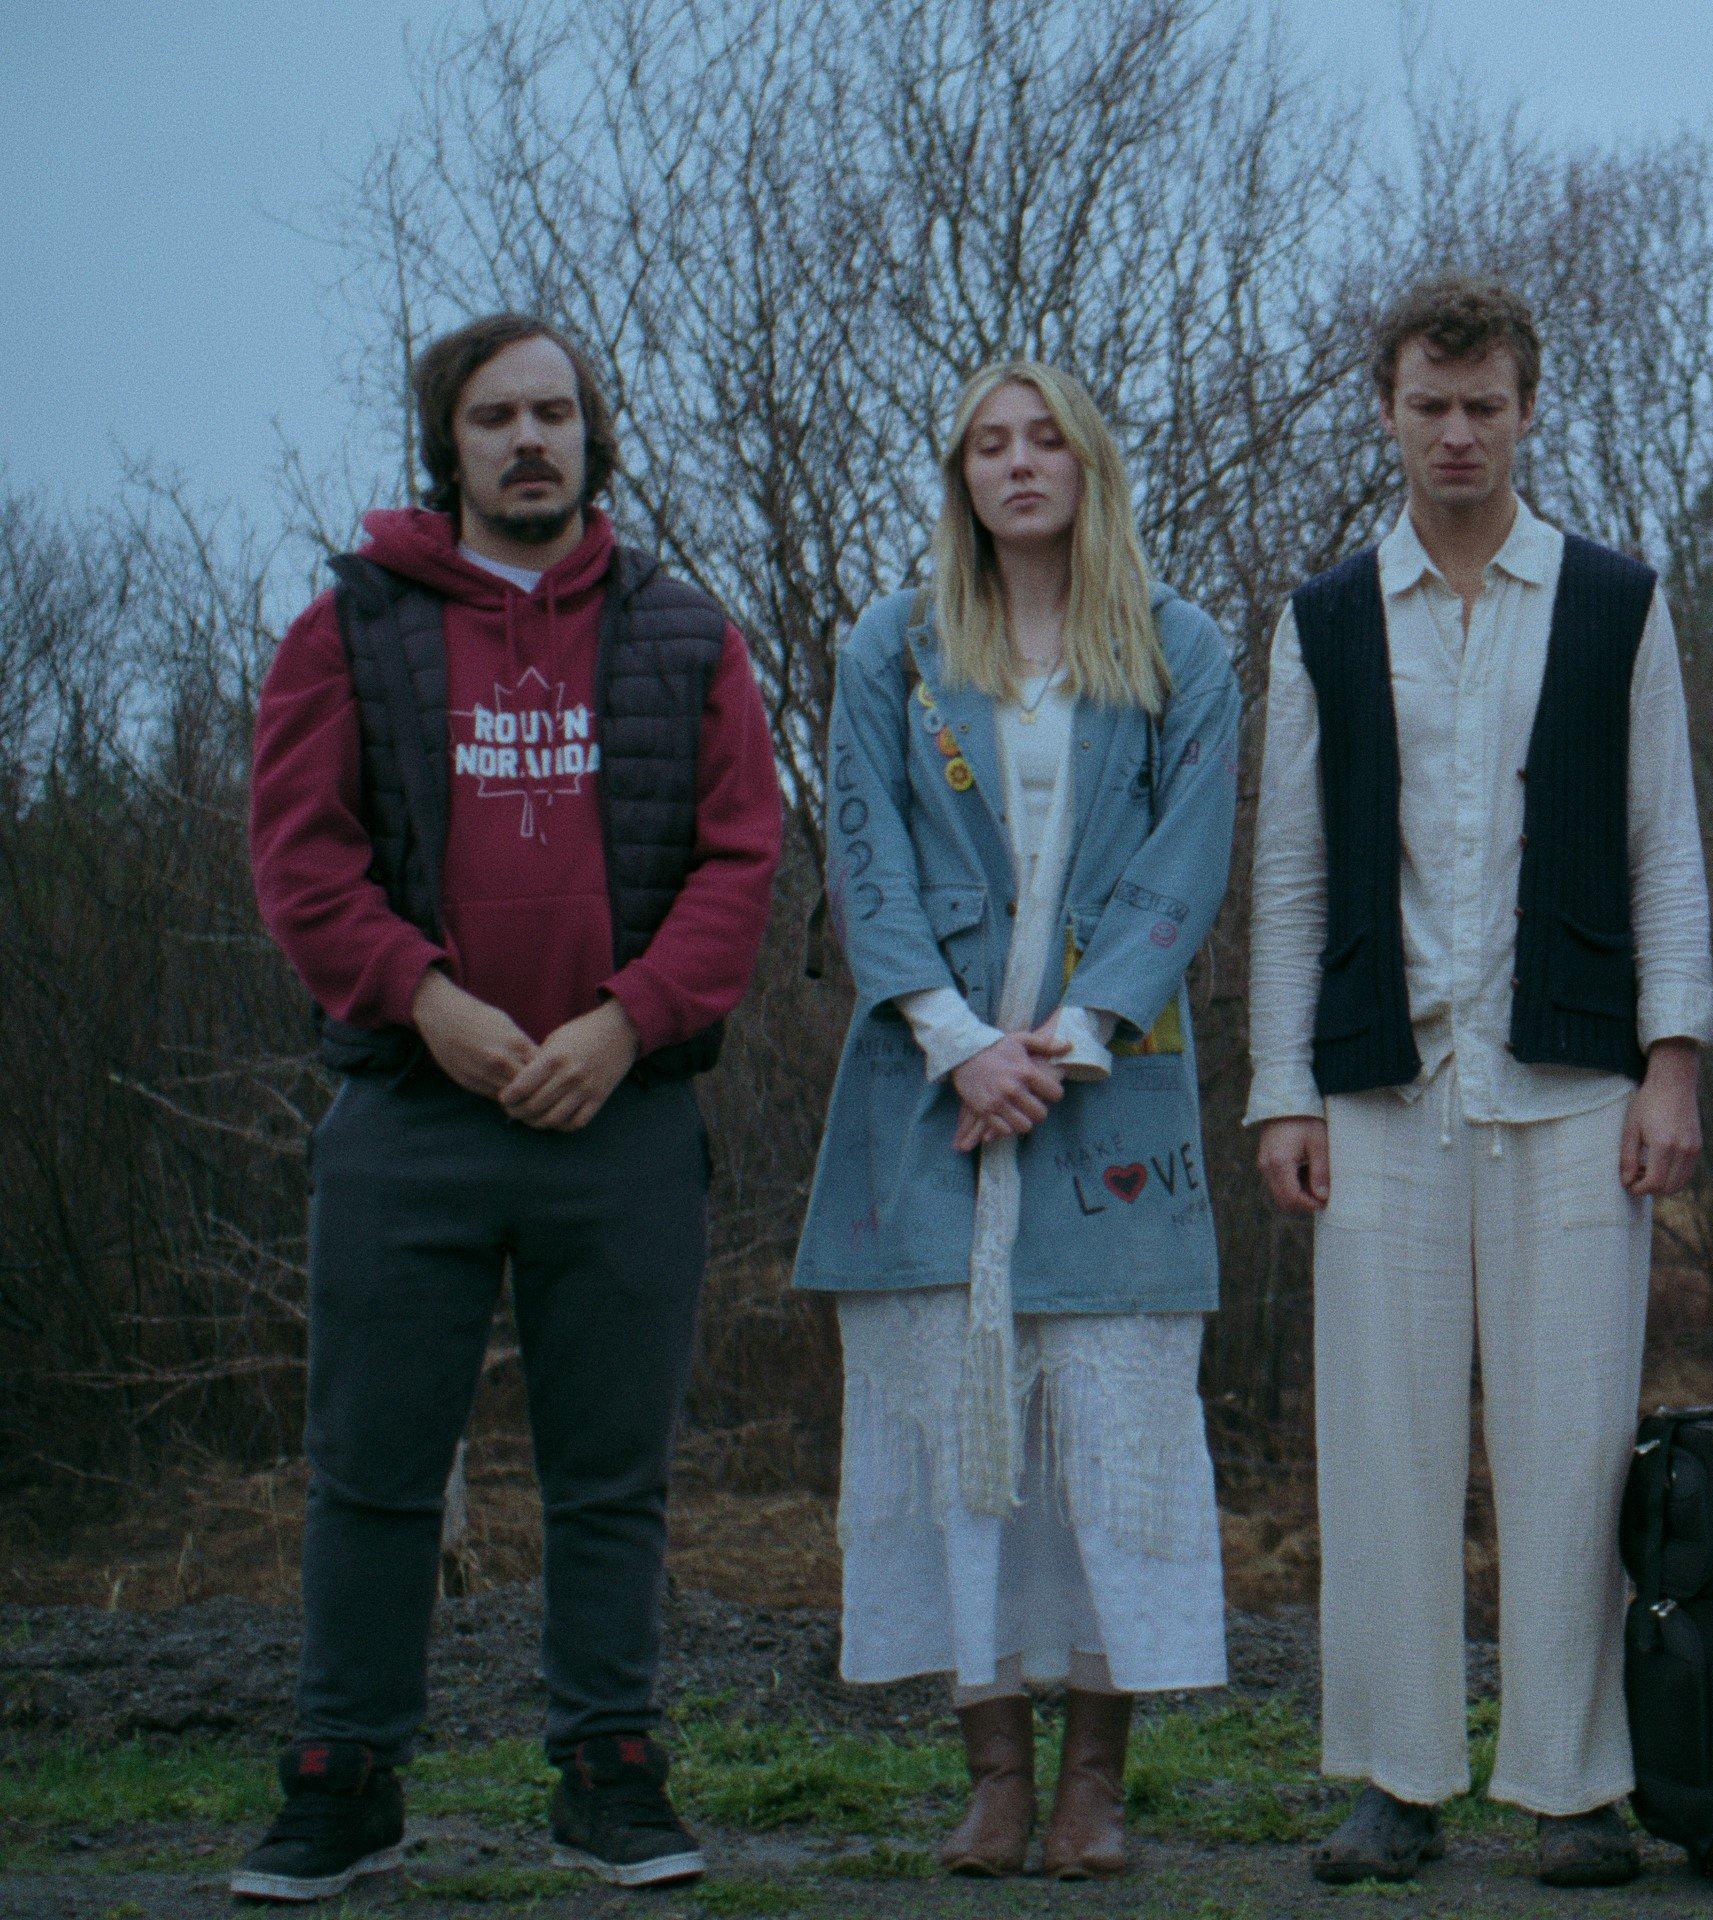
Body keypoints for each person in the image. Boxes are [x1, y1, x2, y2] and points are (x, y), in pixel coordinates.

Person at [240, 313, 783, 1901]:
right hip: (411, 1115)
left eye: (554, 412)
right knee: (372, 1471)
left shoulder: (685, 633)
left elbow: (741, 864)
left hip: (618, 1116)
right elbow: (301, 861)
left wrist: (626, 1025)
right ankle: (343, 1787)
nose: (529, 439)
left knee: (609, 1478)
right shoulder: (348, 628)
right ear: (451, 444)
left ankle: (610, 1778)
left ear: (592, 437)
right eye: (495, 417)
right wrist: (427, 1000)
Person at [1245, 277, 1713, 1889]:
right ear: (1386, 412)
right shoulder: (1325, 618)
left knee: (1572, 1444)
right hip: (1383, 1090)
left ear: (1526, 410)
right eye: (1428, 405)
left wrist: (1672, 1065)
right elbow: (1293, 874)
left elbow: (1665, 846)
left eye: (1484, 405)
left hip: (1575, 1083)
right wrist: (1282, 1090)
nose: (1456, 433)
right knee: (1380, 1444)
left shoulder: (1612, 601)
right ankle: (1396, 1776)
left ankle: (1571, 1786)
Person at [794, 360, 1243, 1879]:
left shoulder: (1178, 645)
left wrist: (1080, 1031)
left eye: (1046, 437)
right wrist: (955, 1040)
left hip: (1109, 1097)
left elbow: (1188, 853)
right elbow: (863, 844)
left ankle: (1094, 1787)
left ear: (1088, 462)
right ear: (961, 478)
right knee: (956, 1437)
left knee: (1112, 1440)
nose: (1019, 463)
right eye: (989, 444)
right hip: (932, 1095)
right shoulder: (895, 645)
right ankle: (993, 1775)